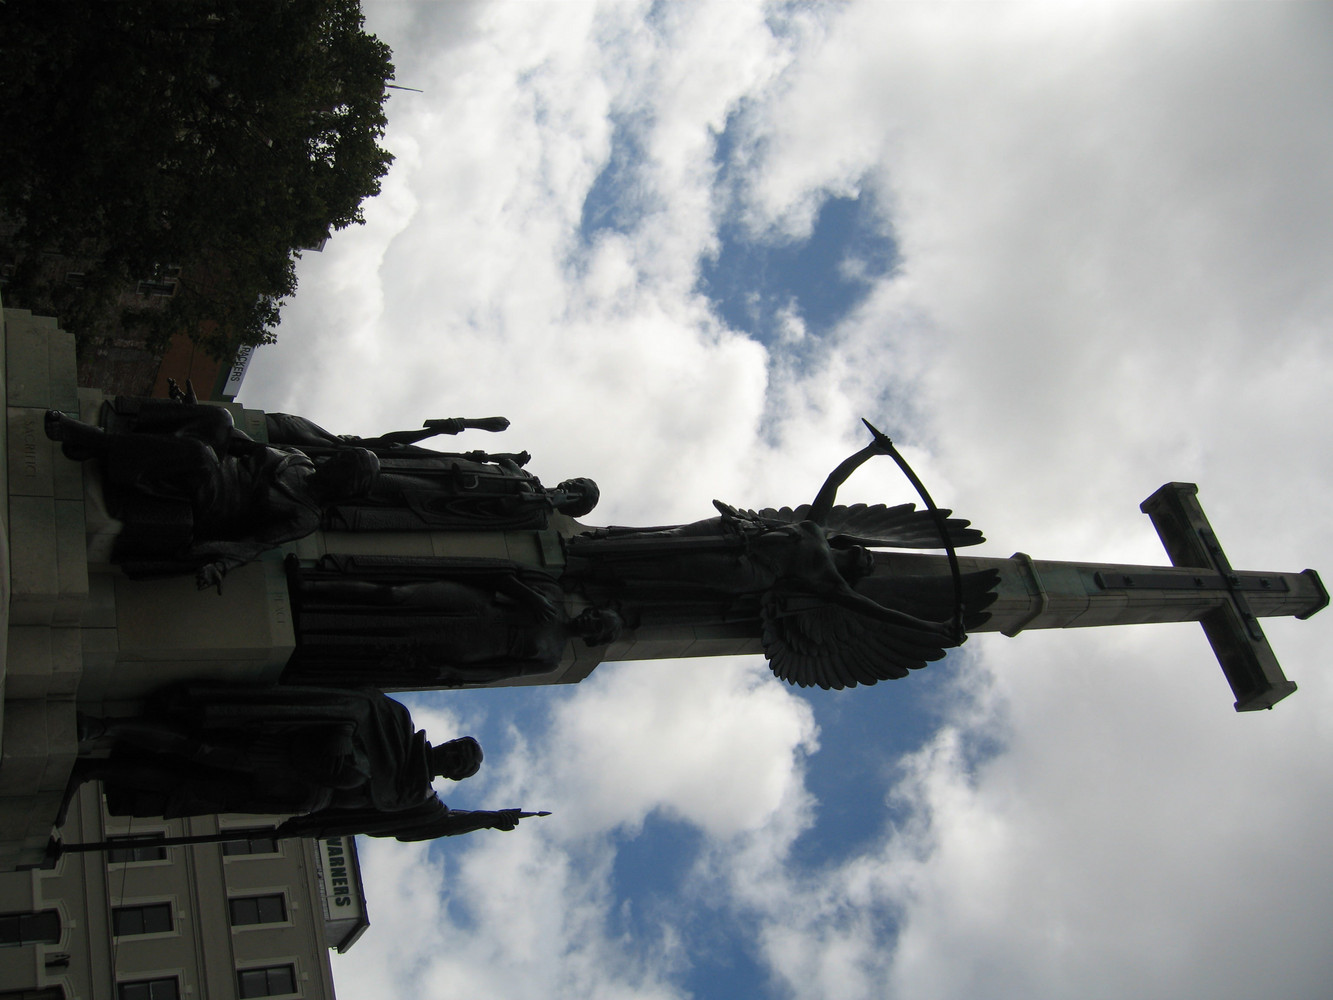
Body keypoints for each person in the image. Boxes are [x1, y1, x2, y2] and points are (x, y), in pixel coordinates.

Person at [70, 685, 496, 834]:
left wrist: (483, 819)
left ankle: (95, 771)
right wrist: (340, 736)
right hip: (287, 744)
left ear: (452, 775)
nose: (452, 755)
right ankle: (106, 727)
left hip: (298, 792)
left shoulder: (414, 796)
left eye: (458, 762)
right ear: (449, 741)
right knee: (196, 746)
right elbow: (355, 704)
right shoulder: (398, 722)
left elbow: (439, 824)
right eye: (457, 748)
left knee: (189, 785)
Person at [44, 407, 379, 589]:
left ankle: (94, 441)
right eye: (342, 456)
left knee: (200, 457)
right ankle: (122, 432)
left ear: (345, 484)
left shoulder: (307, 516)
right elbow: (248, 447)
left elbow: (256, 544)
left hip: (218, 503)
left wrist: (221, 565)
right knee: (220, 419)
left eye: (344, 464)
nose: (334, 460)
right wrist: (213, 424)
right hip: (225, 464)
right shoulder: (300, 460)